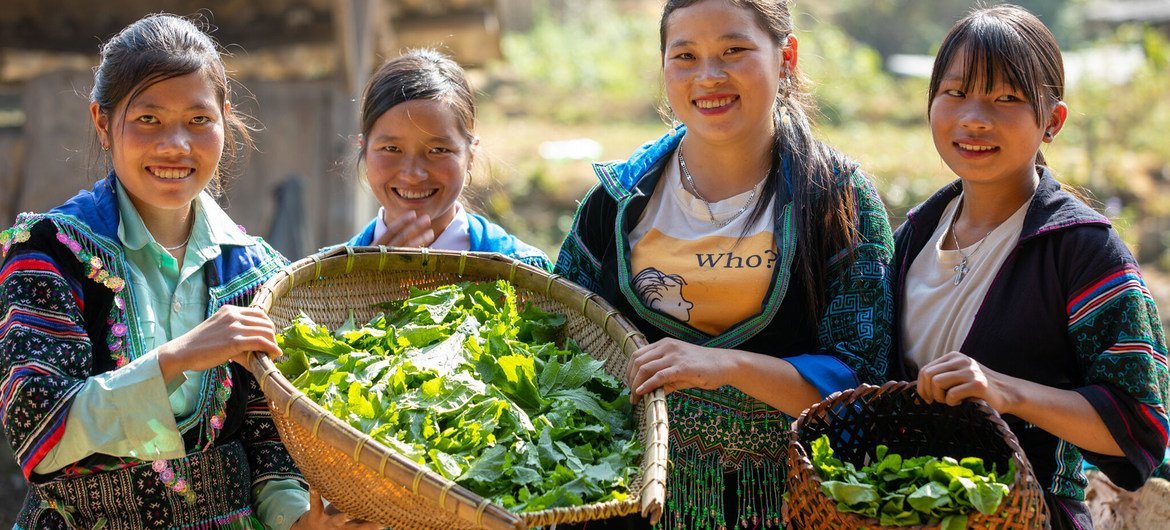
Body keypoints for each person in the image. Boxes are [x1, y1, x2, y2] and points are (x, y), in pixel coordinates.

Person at [0, 14, 377, 530]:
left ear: (224, 117)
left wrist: (299, 522)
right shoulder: (47, 252)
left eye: (198, 120)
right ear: (102, 123)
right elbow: (36, 430)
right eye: (148, 119)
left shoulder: (260, 274)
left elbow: (270, 446)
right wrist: (180, 356)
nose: (176, 145)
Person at [554, 0, 894, 527]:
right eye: (685, 55)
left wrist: (725, 367)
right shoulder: (616, 200)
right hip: (627, 498)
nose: (708, 76)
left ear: (787, 57)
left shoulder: (837, 199)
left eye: (734, 50)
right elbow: (562, 343)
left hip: (789, 505)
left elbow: (865, 381)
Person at [894, 5, 1169, 528]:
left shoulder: (1083, 250)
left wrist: (1003, 390)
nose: (974, 116)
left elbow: (1141, 428)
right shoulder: (914, 235)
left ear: (1053, 121)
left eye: (1007, 98)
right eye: (955, 93)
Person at [343, 49, 551, 271]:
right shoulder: (321, 282)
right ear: (364, 151)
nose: (413, 174)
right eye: (392, 148)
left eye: (438, 150)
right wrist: (364, 279)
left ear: (470, 155)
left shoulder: (526, 272)